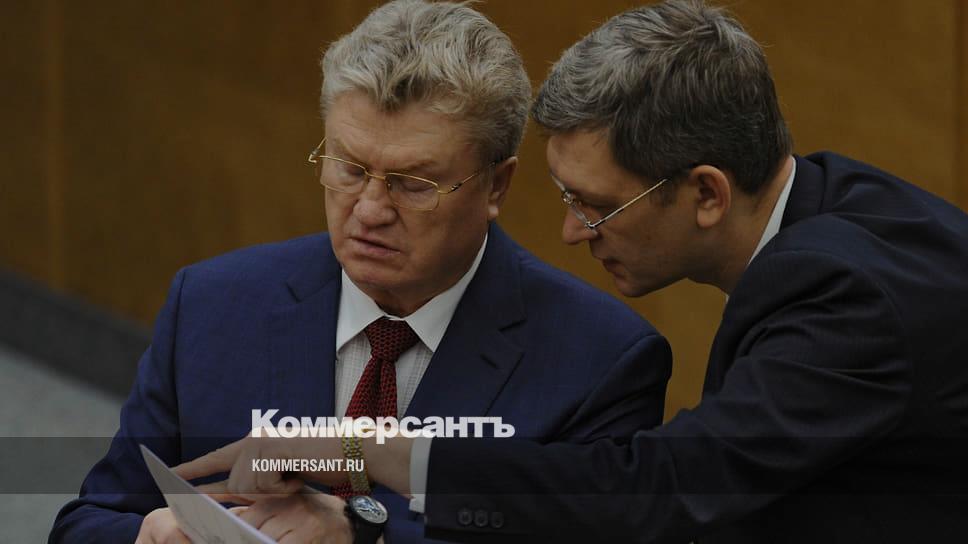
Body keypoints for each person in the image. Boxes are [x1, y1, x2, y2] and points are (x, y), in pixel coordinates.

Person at [176, 0, 968, 542]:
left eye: (597, 206)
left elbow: (661, 494)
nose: (570, 232)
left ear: (706, 194)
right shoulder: (842, 202)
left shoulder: (851, 301)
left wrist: (371, 453)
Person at [48, 1, 674, 543]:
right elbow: (90, 519)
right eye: (349, 169)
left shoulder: (598, 363)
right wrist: (147, 535)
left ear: (496, 186)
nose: (370, 210)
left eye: (413, 183)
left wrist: (366, 532)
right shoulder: (212, 305)